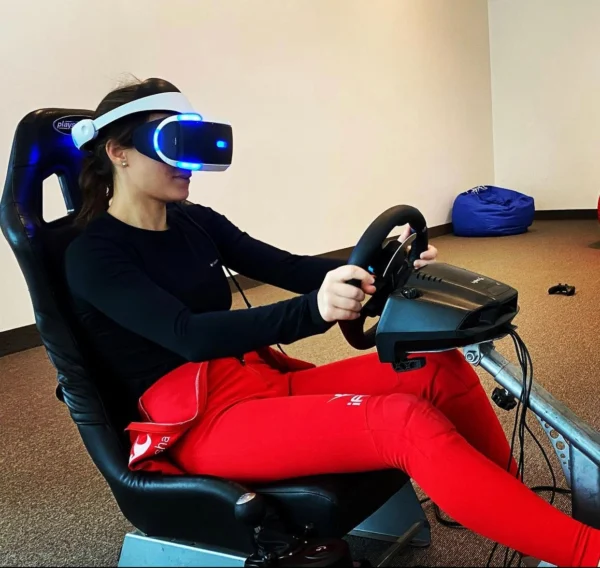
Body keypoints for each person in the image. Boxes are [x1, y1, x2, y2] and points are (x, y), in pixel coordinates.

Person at [64, 78, 600, 568]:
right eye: (171, 145)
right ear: (118, 152)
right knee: (401, 422)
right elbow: (188, 335)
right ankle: (585, 555)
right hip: (196, 423)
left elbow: (291, 268)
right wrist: (314, 311)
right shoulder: (93, 254)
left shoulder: (194, 222)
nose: (188, 163)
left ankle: (525, 518)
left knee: (434, 367)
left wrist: (383, 266)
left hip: (252, 380)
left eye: (194, 146)